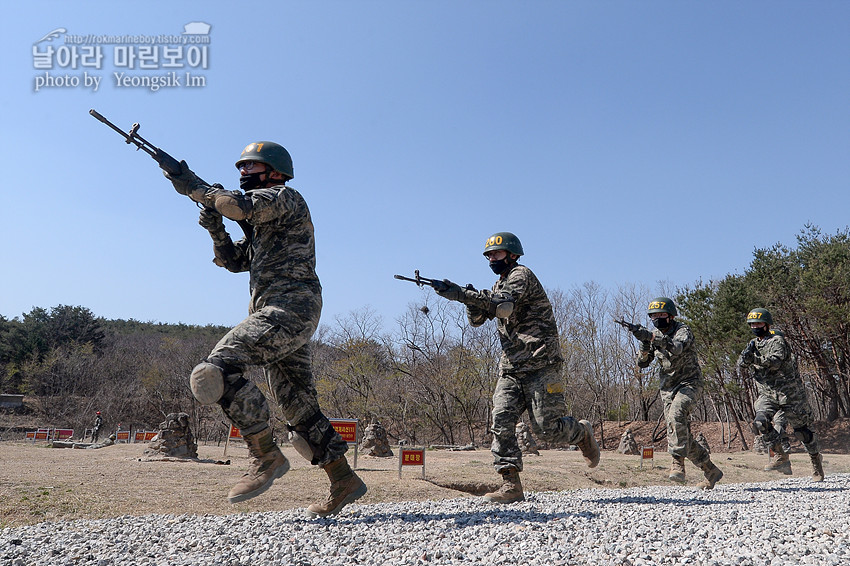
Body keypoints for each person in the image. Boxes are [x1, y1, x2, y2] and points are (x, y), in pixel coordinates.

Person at [166, 141, 366, 517]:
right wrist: (216, 230)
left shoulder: (285, 197)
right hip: (282, 311)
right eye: (241, 168)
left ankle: (265, 456)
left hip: (291, 308)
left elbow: (234, 205)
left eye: (251, 167)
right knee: (300, 410)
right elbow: (233, 261)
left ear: (275, 172)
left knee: (214, 371)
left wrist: (193, 185)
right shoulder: (263, 224)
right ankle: (343, 480)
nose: (243, 174)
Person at [432, 232, 599, 504]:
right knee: (501, 419)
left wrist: (465, 294)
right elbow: (478, 319)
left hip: (541, 364)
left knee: (546, 429)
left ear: (512, 254)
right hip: (511, 367)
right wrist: (466, 299)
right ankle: (511, 485)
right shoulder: (498, 284)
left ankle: (581, 433)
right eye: (488, 255)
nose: (491, 259)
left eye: (496, 254)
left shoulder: (521, 275)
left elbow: (504, 306)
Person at [625, 297, 723, 489]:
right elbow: (643, 363)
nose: (657, 319)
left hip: (690, 384)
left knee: (677, 414)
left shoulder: (682, 330)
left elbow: (677, 348)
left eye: (661, 315)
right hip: (667, 388)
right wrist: (645, 344)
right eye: (653, 316)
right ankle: (710, 469)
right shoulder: (652, 334)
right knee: (679, 431)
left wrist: (652, 338)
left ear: (670, 316)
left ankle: (677, 463)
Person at [737, 308, 824, 481]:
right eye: (752, 324)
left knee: (803, 433)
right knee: (761, 423)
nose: (755, 327)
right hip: (768, 395)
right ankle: (780, 455)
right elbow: (741, 363)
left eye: (759, 323)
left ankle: (815, 461)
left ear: (767, 325)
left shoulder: (777, 341)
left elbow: (774, 362)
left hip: (790, 395)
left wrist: (754, 359)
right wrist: (744, 358)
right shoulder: (754, 343)